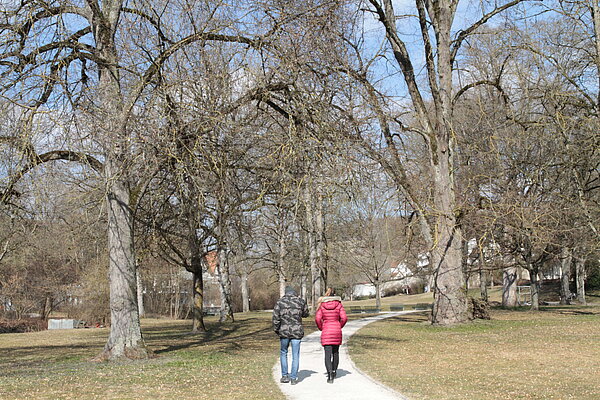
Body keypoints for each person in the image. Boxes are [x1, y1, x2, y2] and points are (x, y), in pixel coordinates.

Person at [272, 286, 309, 385]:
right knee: (295, 355)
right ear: (294, 293)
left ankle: (284, 376)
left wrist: (277, 330)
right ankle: (293, 378)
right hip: (296, 332)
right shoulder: (300, 301)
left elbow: (276, 318)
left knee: (283, 352)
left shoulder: (280, 302)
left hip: (284, 332)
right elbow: (306, 314)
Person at [315, 287, 348, 383]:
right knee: (336, 352)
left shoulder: (322, 305)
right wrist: (339, 325)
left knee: (327, 354)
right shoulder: (339, 305)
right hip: (336, 330)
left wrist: (321, 327)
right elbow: (344, 318)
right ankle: (334, 370)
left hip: (326, 330)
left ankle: (329, 375)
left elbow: (317, 319)